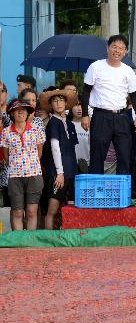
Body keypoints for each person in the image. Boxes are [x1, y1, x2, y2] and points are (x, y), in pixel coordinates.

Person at [79, 35, 136, 175]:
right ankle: (96, 193)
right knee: (97, 156)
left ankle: (123, 193)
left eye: (121, 48)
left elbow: (134, 95)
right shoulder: (95, 67)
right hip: (101, 116)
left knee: (125, 156)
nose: (117, 51)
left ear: (125, 52)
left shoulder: (128, 70)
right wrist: (84, 115)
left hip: (122, 117)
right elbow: (86, 92)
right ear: (108, 48)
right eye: (114, 47)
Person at [0, 99, 45, 230]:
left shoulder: (36, 130)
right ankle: (18, 244)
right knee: (18, 211)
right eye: (17, 110)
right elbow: (6, 155)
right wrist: (16, 165)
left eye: (24, 110)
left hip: (34, 174)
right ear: (12, 113)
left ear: (28, 113)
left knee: (32, 211)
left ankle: (30, 244)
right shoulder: (6, 132)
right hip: (14, 176)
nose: (21, 112)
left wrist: (30, 164)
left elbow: (39, 152)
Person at [41, 89, 78, 229]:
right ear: (51, 105)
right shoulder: (53, 123)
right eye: (55, 100)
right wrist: (60, 173)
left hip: (71, 171)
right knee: (52, 209)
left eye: (61, 100)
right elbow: (55, 148)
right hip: (58, 172)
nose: (58, 103)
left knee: (69, 208)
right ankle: (48, 242)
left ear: (66, 103)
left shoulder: (70, 124)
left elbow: (72, 149)